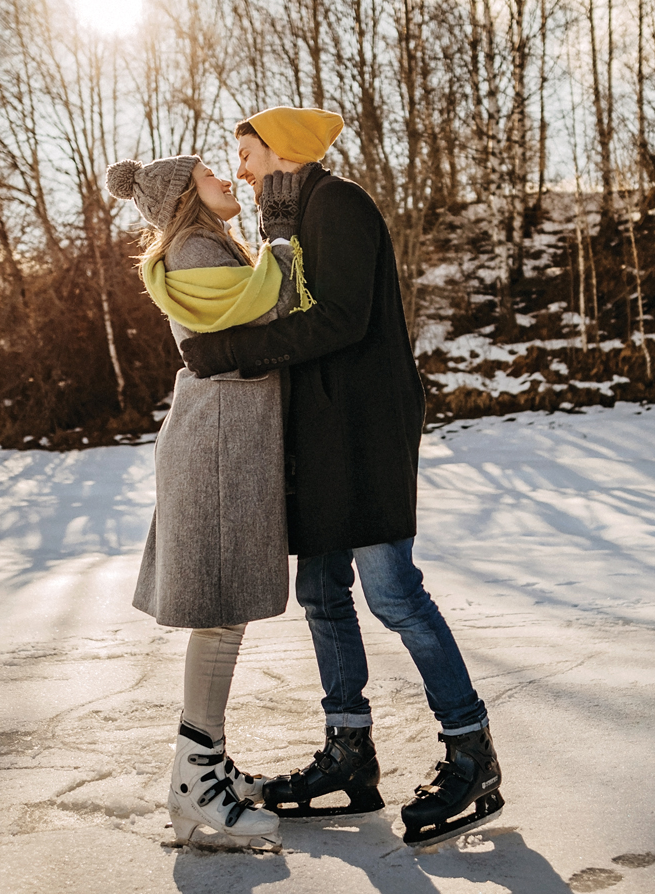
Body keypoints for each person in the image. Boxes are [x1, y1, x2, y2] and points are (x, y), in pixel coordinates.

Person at [179, 106, 505, 847]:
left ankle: (470, 750)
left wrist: (230, 351)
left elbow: (342, 320)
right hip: (319, 437)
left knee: (393, 591)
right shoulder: (291, 225)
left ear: (284, 151)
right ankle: (349, 754)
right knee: (322, 590)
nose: (241, 171)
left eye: (248, 154)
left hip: (365, 430)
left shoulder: (342, 204)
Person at [105, 152, 310, 852]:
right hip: (218, 444)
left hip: (227, 438)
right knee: (220, 615)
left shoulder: (213, 245)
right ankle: (195, 776)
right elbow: (276, 306)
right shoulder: (194, 251)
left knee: (225, 615)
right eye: (209, 176)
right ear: (184, 198)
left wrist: (271, 241)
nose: (227, 179)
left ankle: (204, 766)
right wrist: (282, 232)